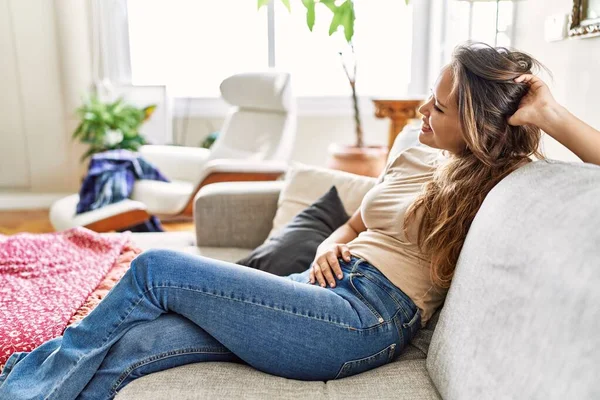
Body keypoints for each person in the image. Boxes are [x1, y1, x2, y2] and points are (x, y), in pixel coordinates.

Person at [1, 42, 599, 400]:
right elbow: (358, 222)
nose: (421, 109)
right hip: (322, 287)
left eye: (439, 107)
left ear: (475, 124)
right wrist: (327, 247)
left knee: (156, 270)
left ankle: (21, 388)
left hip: (363, 321)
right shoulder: (417, 151)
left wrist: (550, 111)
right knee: (138, 340)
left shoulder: (492, 178)